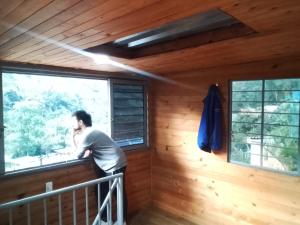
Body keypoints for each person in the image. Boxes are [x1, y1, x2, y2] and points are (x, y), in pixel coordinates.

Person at [72, 110, 127, 225]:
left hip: (114, 164)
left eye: (74, 121)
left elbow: (78, 155)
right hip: (114, 162)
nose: (72, 124)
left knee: (116, 193)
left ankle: (119, 221)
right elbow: (87, 151)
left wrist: (72, 135)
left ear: (80, 122)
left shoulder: (88, 134)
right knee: (104, 191)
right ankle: (108, 220)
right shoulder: (92, 132)